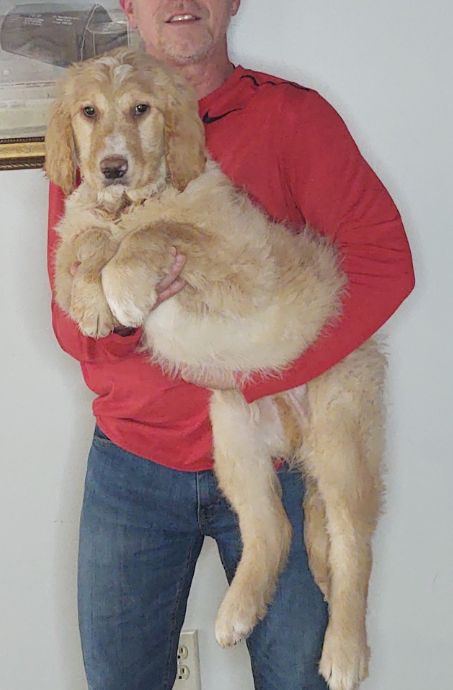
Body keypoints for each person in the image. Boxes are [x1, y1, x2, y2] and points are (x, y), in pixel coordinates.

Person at [47, 1, 415, 689]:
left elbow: (384, 264)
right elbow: (77, 329)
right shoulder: (93, 151)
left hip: (277, 450)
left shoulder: (293, 118)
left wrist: (267, 378)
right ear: (128, 4)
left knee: (296, 681)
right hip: (133, 467)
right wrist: (124, 306)